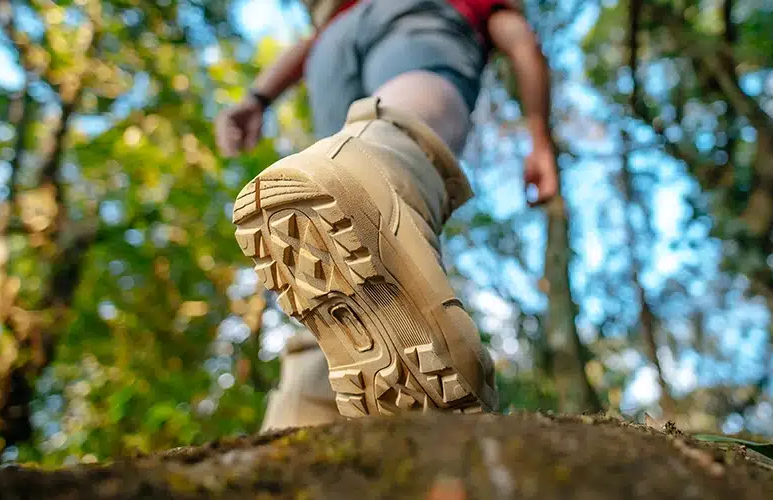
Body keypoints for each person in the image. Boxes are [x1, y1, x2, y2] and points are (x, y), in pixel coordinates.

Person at [214, 0, 557, 430]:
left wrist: (257, 97)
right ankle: (382, 166)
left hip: (330, 45)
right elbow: (523, 43)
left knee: (332, 195)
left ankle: (307, 402)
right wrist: (541, 137)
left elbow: (309, 43)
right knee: (386, 137)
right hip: (419, 12)